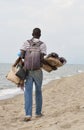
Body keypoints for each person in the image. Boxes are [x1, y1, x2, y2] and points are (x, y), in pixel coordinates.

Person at [14, 28, 47, 121]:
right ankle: (38, 113)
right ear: (40, 35)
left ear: (32, 34)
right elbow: (42, 58)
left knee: (28, 92)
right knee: (38, 91)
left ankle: (28, 115)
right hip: (38, 71)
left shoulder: (26, 43)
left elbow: (21, 55)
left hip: (27, 70)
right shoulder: (43, 44)